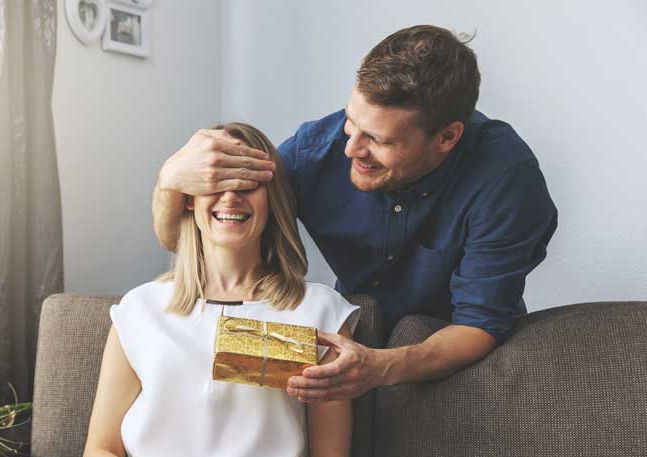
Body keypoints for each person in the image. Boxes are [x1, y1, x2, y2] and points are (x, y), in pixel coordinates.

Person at [152, 25, 559, 405]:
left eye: (378, 140)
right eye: (351, 124)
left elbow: (480, 323)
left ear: (446, 137)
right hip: (354, 324)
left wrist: (379, 366)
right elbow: (199, 237)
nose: (351, 150)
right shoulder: (316, 151)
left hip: (457, 352)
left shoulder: (507, 178)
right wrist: (170, 179)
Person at [81, 123, 360, 457]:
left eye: (248, 184)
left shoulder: (317, 312)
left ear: (272, 201)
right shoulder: (142, 309)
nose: (231, 198)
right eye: (216, 183)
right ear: (189, 198)